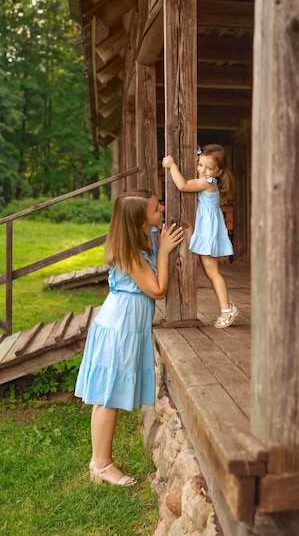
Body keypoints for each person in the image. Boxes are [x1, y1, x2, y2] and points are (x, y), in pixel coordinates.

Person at [74, 189, 184, 487]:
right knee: (106, 398)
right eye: (155, 207)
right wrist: (163, 252)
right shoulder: (131, 254)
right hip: (119, 327)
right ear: (138, 220)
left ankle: (100, 463)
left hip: (125, 324)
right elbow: (157, 289)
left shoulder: (144, 236)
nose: (161, 208)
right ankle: (101, 465)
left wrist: (160, 241)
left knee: (106, 396)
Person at [162, 144, 238, 329]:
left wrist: (172, 166)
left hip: (208, 231)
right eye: (200, 164)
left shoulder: (207, 182)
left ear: (218, 172)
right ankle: (225, 308)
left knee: (212, 272)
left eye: (208, 168)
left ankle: (226, 310)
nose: (202, 170)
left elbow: (183, 185)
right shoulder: (208, 180)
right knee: (210, 272)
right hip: (208, 228)